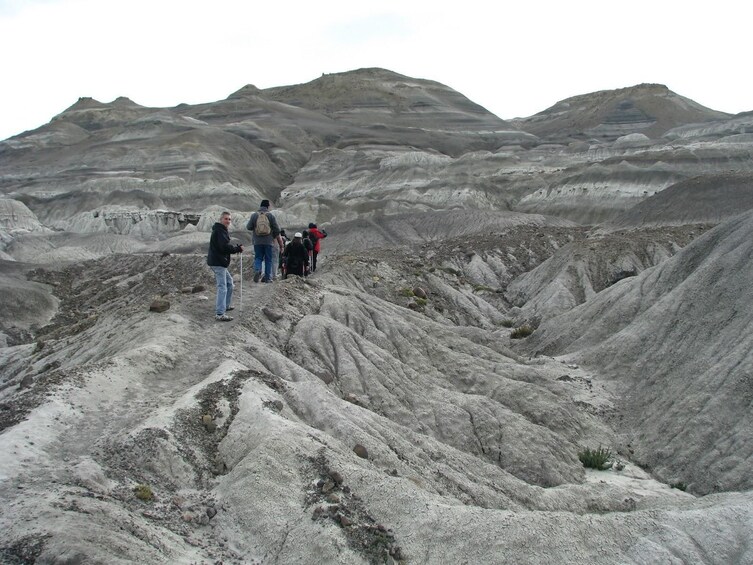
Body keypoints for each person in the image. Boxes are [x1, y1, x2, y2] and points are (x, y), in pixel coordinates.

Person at [207, 211, 243, 321]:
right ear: (221, 219)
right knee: (222, 287)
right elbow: (223, 247)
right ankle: (220, 313)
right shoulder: (219, 231)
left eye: (229, 219)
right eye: (226, 219)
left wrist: (235, 248)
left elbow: (224, 246)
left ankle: (225, 306)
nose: (228, 221)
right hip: (218, 262)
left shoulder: (221, 231)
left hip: (219, 262)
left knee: (229, 283)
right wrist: (237, 249)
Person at [246, 199, 282, 283]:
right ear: (268, 206)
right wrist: (273, 236)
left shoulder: (254, 215)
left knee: (258, 257)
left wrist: (255, 228)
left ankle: (258, 270)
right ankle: (267, 278)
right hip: (268, 242)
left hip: (257, 242)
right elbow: (277, 229)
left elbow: (248, 227)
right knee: (268, 259)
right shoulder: (270, 216)